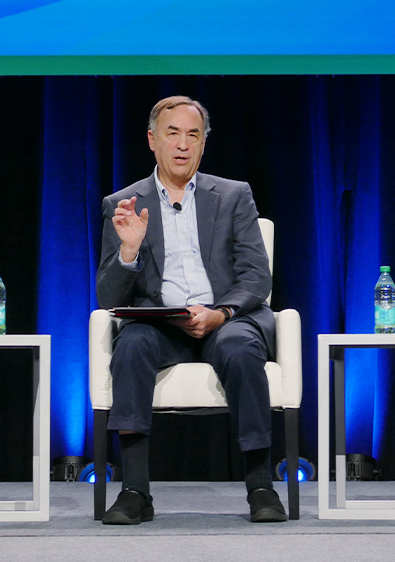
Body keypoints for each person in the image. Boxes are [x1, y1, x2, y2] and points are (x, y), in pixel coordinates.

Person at [96, 96, 287, 524]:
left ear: (203, 144)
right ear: (152, 140)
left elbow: (257, 276)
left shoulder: (234, 195)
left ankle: (260, 486)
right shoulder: (123, 204)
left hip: (225, 320)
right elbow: (109, 298)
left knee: (241, 350)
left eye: (193, 135)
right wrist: (129, 250)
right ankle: (134, 491)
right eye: (172, 133)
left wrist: (221, 313)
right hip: (159, 326)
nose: (183, 144)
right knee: (130, 348)